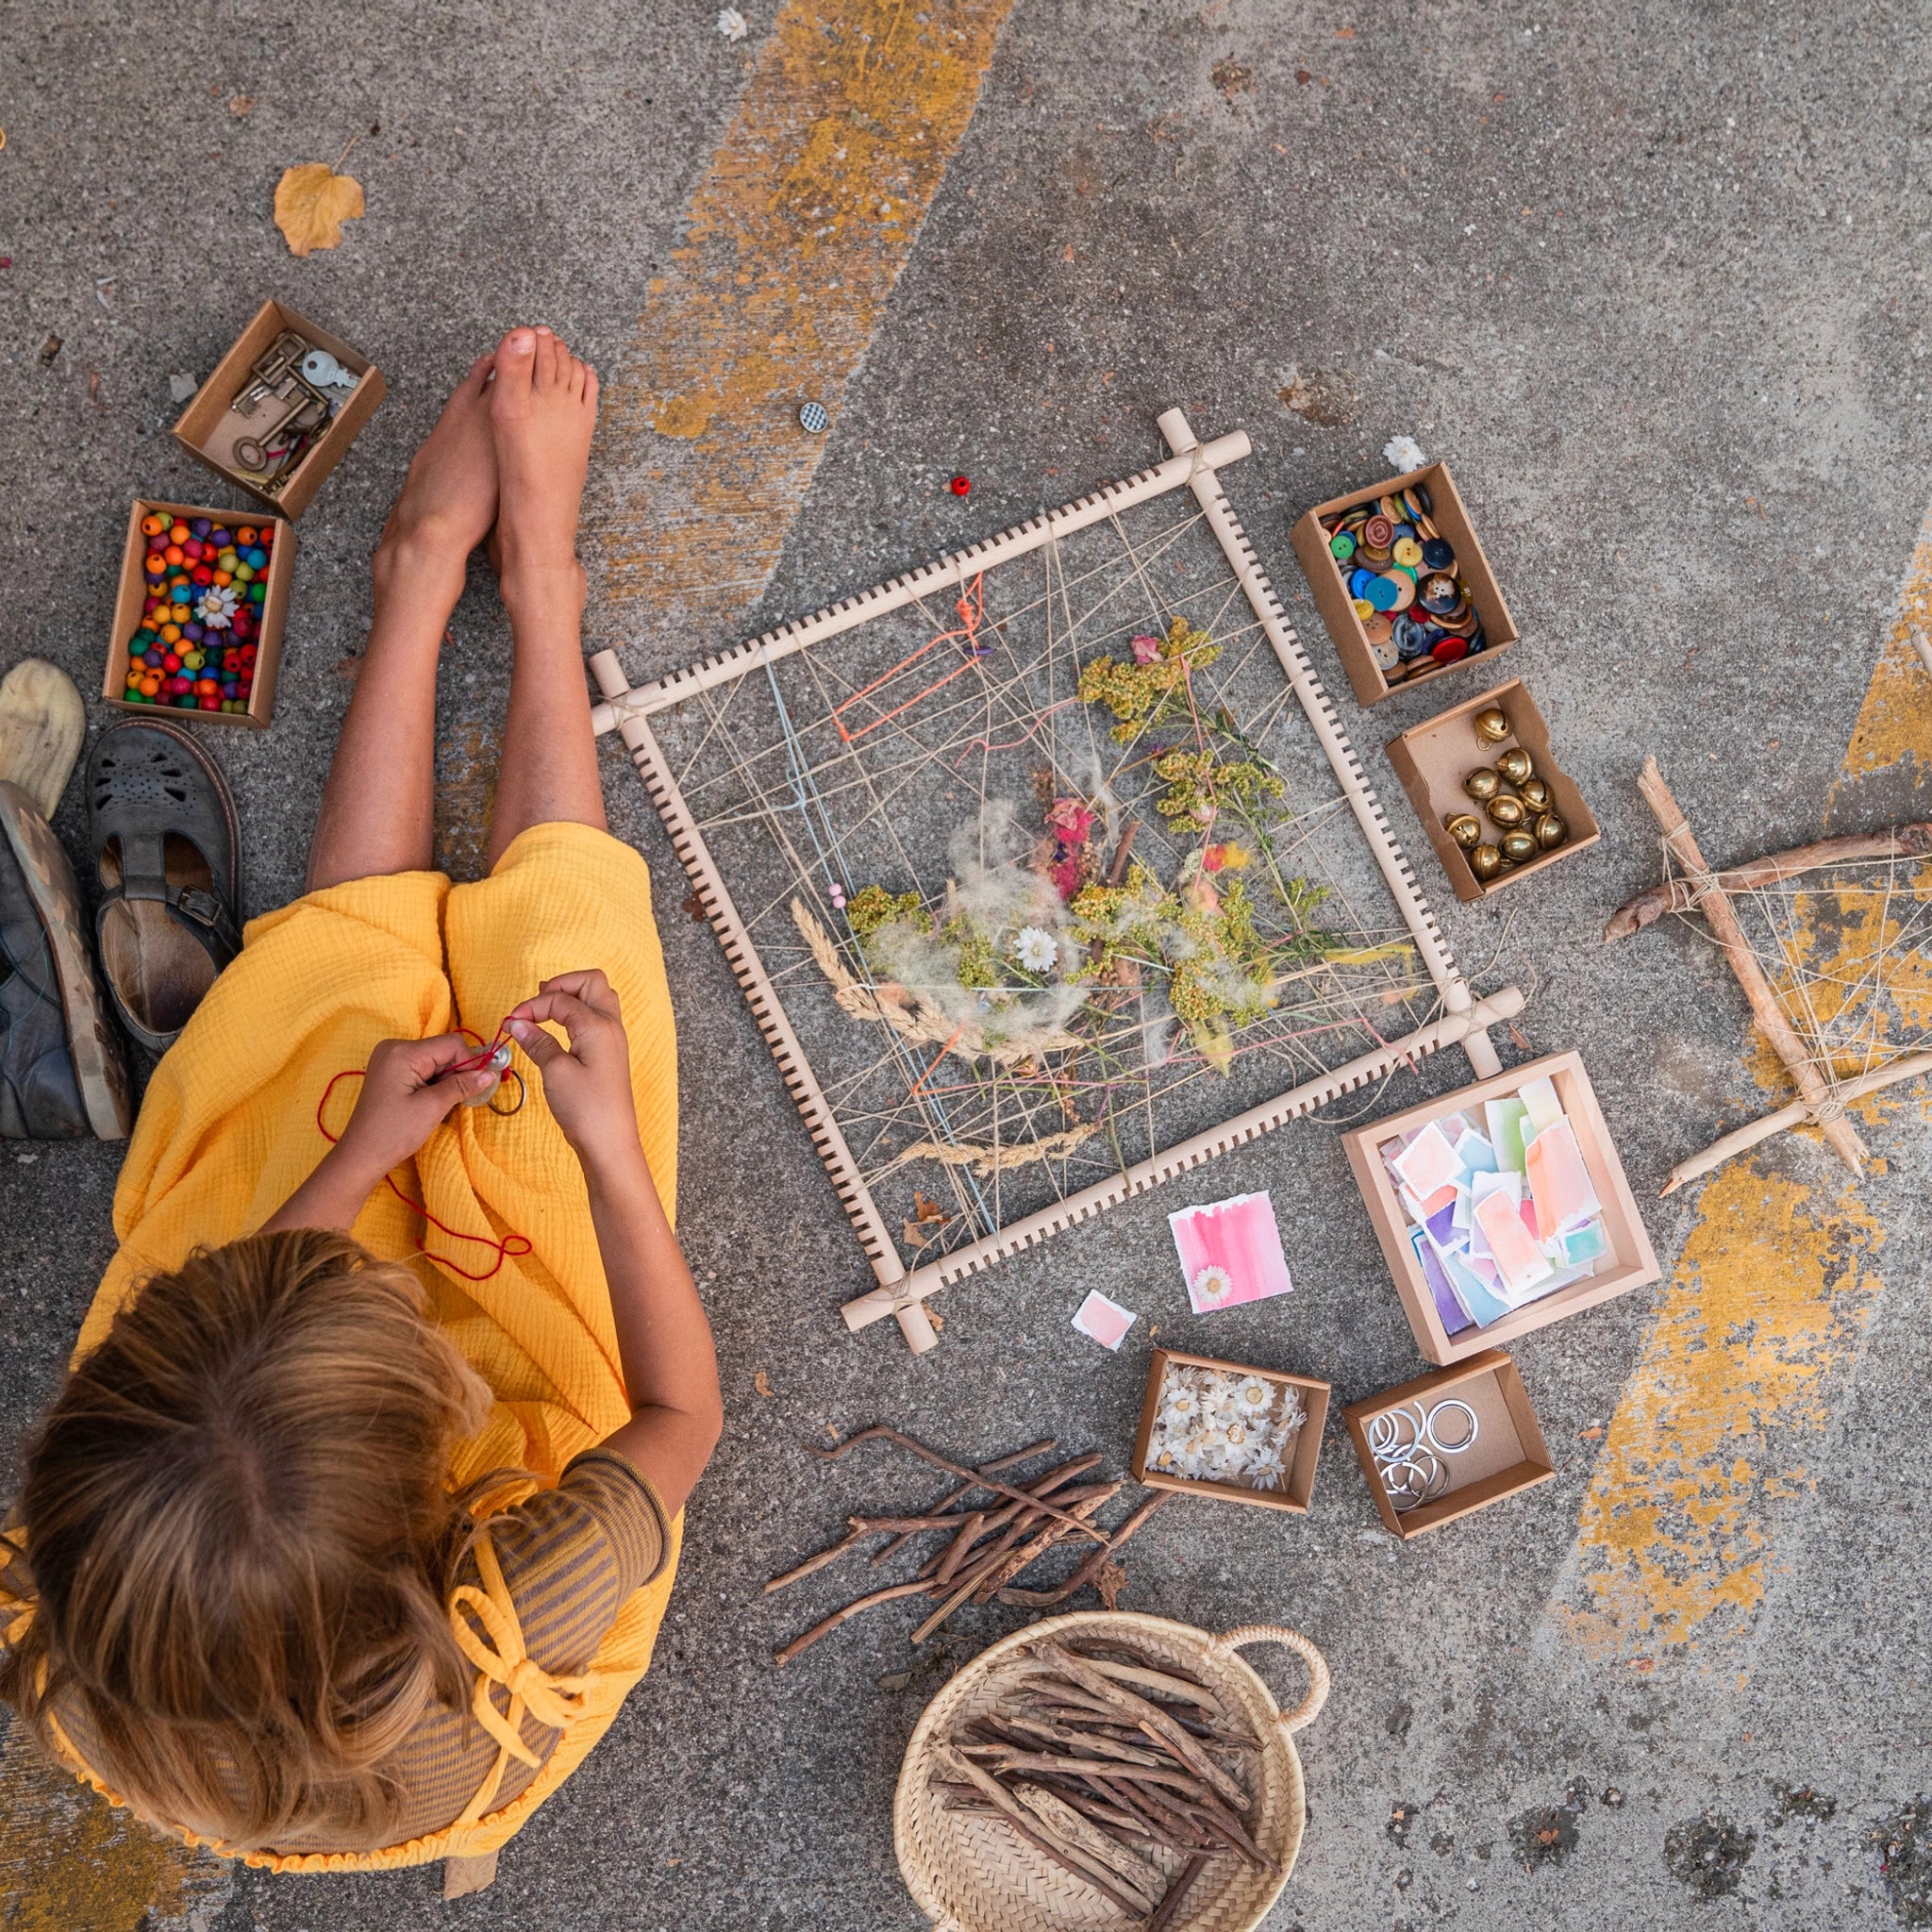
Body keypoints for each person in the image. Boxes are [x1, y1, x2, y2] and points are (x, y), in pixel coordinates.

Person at [0, 328, 722, 1894]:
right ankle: (541, 601)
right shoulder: (510, 1603)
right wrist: (601, 1153)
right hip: (518, 1466)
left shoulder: (72, 1599)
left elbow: (228, 1350)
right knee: (564, 1004)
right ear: (444, 1475)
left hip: (260, 1415)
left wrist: (351, 1160)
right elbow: (679, 1418)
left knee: (328, 1027)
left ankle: (415, 586)